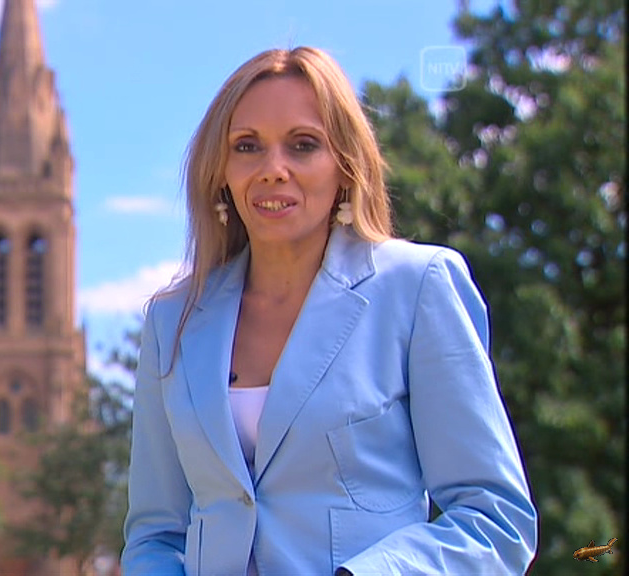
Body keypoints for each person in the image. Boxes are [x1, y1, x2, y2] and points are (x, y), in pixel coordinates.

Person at [120, 47, 537, 575]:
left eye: (303, 145)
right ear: (220, 171)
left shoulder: (418, 287)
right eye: (247, 146)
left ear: (345, 164)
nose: (273, 170)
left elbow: (495, 520)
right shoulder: (172, 321)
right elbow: (155, 536)